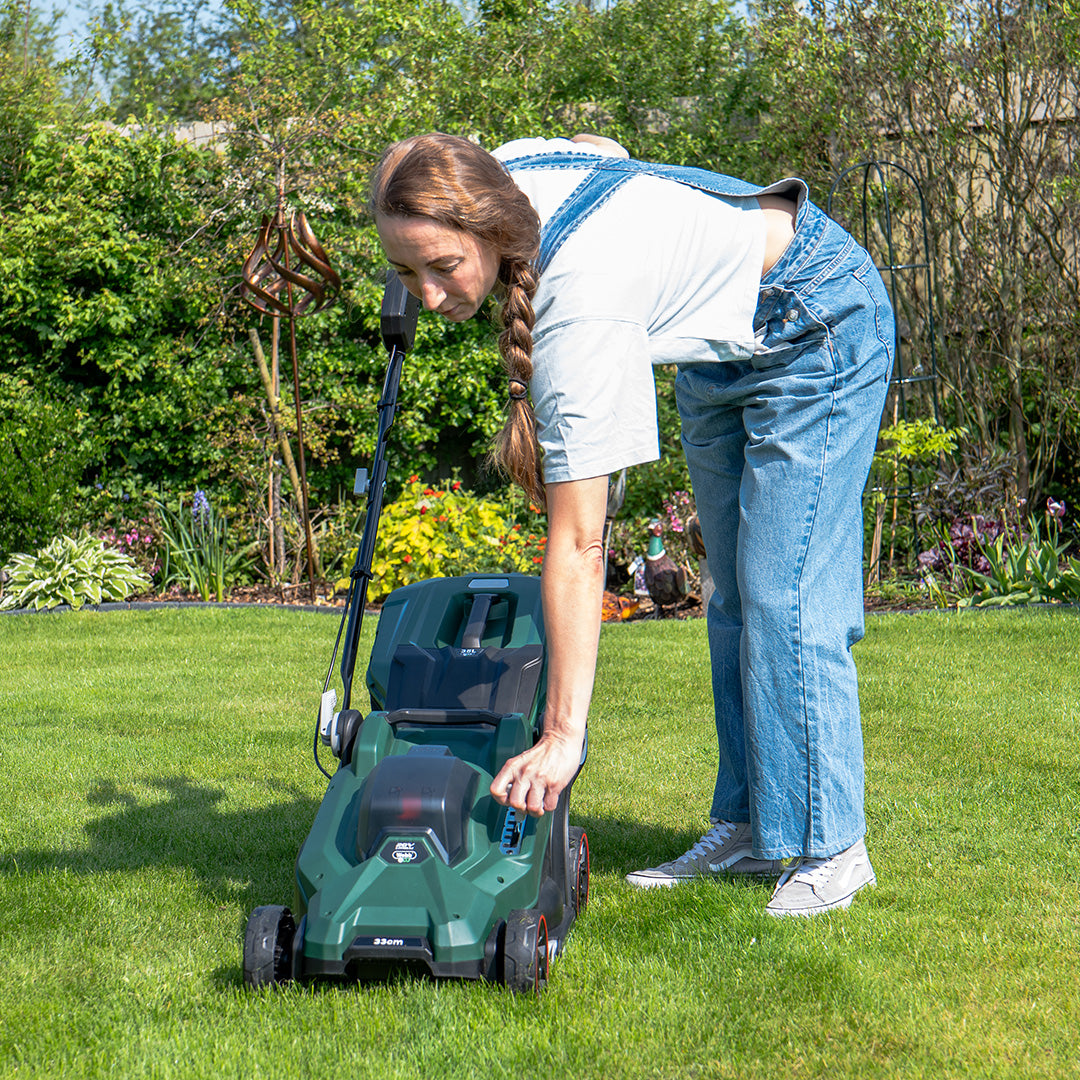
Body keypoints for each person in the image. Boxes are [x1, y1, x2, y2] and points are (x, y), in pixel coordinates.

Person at [371, 131, 893, 917]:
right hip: (718, 344)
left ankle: (832, 846)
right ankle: (755, 825)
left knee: (784, 597)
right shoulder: (504, 168)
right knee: (734, 598)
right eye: (408, 271)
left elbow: (580, 545)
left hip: (813, 316)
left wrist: (561, 735)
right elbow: (598, 144)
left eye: (443, 267)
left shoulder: (579, 307)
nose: (430, 294)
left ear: (491, 227)